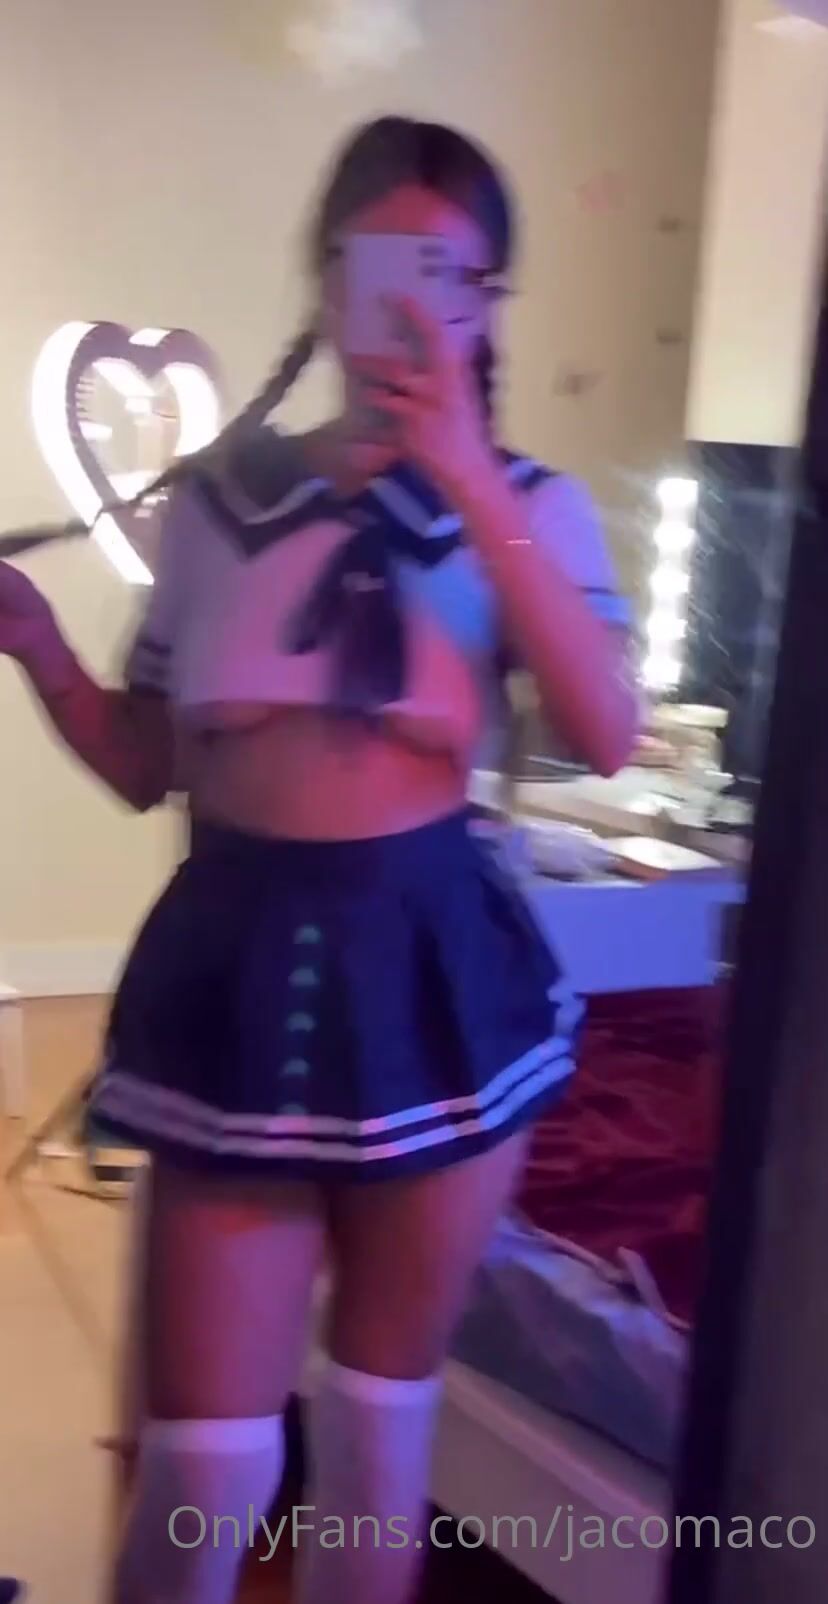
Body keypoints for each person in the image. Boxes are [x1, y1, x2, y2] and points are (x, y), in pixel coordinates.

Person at [0, 117, 636, 1604]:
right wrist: (37, 649)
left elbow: (604, 733)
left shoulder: (531, 506)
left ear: (491, 301)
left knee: (375, 1428)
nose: (417, 301)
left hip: (433, 979)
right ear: (328, 274)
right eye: (384, 261)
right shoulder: (215, 503)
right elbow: (148, 762)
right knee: (202, 1464)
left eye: (455, 274)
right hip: (234, 971)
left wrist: (468, 478)